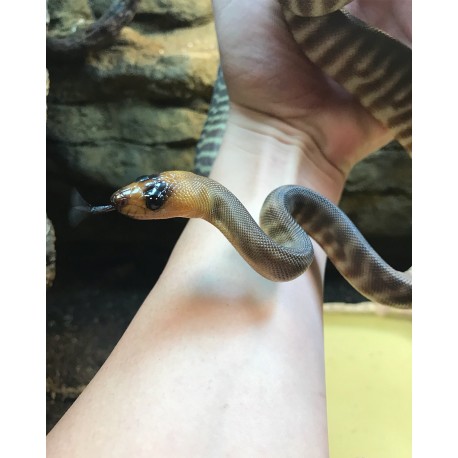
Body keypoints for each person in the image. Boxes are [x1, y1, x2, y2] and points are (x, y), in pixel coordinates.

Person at [47, 0, 411, 456]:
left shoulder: (274, 219)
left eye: (154, 194)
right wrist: (283, 127)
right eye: (152, 191)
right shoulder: (273, 224)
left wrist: (281, 129)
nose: (135, 197)